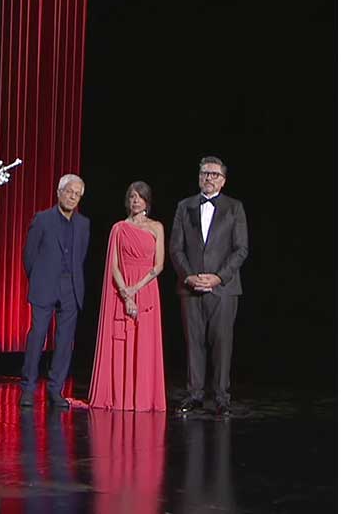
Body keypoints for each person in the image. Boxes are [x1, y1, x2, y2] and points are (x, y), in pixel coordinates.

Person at [168, 156, 248, 417]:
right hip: (190, 287)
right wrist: (189, 276)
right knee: (194, 342)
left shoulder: (234, 207)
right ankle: (195, 394)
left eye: (214, 174)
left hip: (223, 288)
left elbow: (240, 249)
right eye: (204, 173)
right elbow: (176, 247)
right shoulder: (184, 206)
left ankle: (222, 397)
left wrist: (217, 277)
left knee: (222, 342)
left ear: (223, 181)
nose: (208, 178)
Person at [89, 181, 167, 412]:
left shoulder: (156, 227)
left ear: (147, 201)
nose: (135, 200)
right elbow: (113, 266)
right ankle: (121, 396)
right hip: (121, 290)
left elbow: (159, 265)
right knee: (122, 343)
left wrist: (137, 289)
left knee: (145, 344)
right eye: (132, 196)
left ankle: (143, 397)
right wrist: (126, 293)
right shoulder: (119, 228)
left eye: (140, 197)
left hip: (147, 288)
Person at [19, 174, 89, 408]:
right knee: (38, 335)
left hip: (71, 287)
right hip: (44, 284)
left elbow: (81, 256)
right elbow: (29, 255)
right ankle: (28, 388)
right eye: (70, 191)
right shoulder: (42, 219)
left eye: (78, 194)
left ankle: (55, 389)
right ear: (59, 192)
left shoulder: (83, 224)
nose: (73, 197)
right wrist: (38, 278)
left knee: (64, 341)